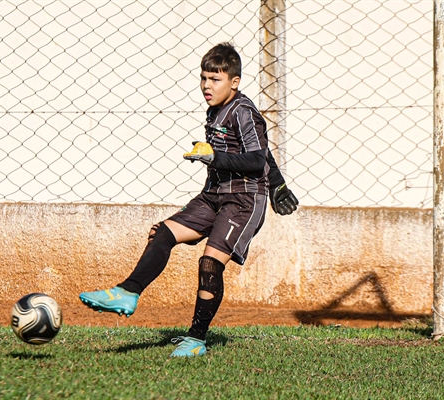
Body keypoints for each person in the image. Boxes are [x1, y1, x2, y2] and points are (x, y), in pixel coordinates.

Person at [79, 42, 298, 357]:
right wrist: (224, 160)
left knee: (210, 263)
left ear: (234, 82)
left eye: (215, 79)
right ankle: (127, 293)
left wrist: (269, 182)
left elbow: (254, 159)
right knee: (162, 232)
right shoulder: (215, 109)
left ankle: (196, 340)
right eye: (203, 78)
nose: (207, 86)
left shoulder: (244, 111)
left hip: (244, 200)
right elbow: (253, 153)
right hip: (214, 194)